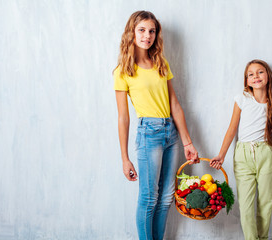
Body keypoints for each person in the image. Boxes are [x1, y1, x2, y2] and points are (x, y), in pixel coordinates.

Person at [113, 11, 199, 240]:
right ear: (132, 32)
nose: (147, 35)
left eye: (152, 31)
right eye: (141, 30)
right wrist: (124, 158)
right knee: (149, 198)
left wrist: (187, 141)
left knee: (167, 196)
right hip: (148, 133)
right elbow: (123, 117)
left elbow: (175, 105)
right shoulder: (123, 71)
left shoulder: (161, 63)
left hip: (171, 133)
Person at [210, 59, 272, 240]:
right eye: (250, 74)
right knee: (245, 205)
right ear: (247, 81)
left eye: (260, 72)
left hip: (266, 154)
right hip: (243, 155)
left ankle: (263, 237)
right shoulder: (242, 99)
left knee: (266, 202)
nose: (255, 76)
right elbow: (232, 129)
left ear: (268, 76)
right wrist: (221, 155)